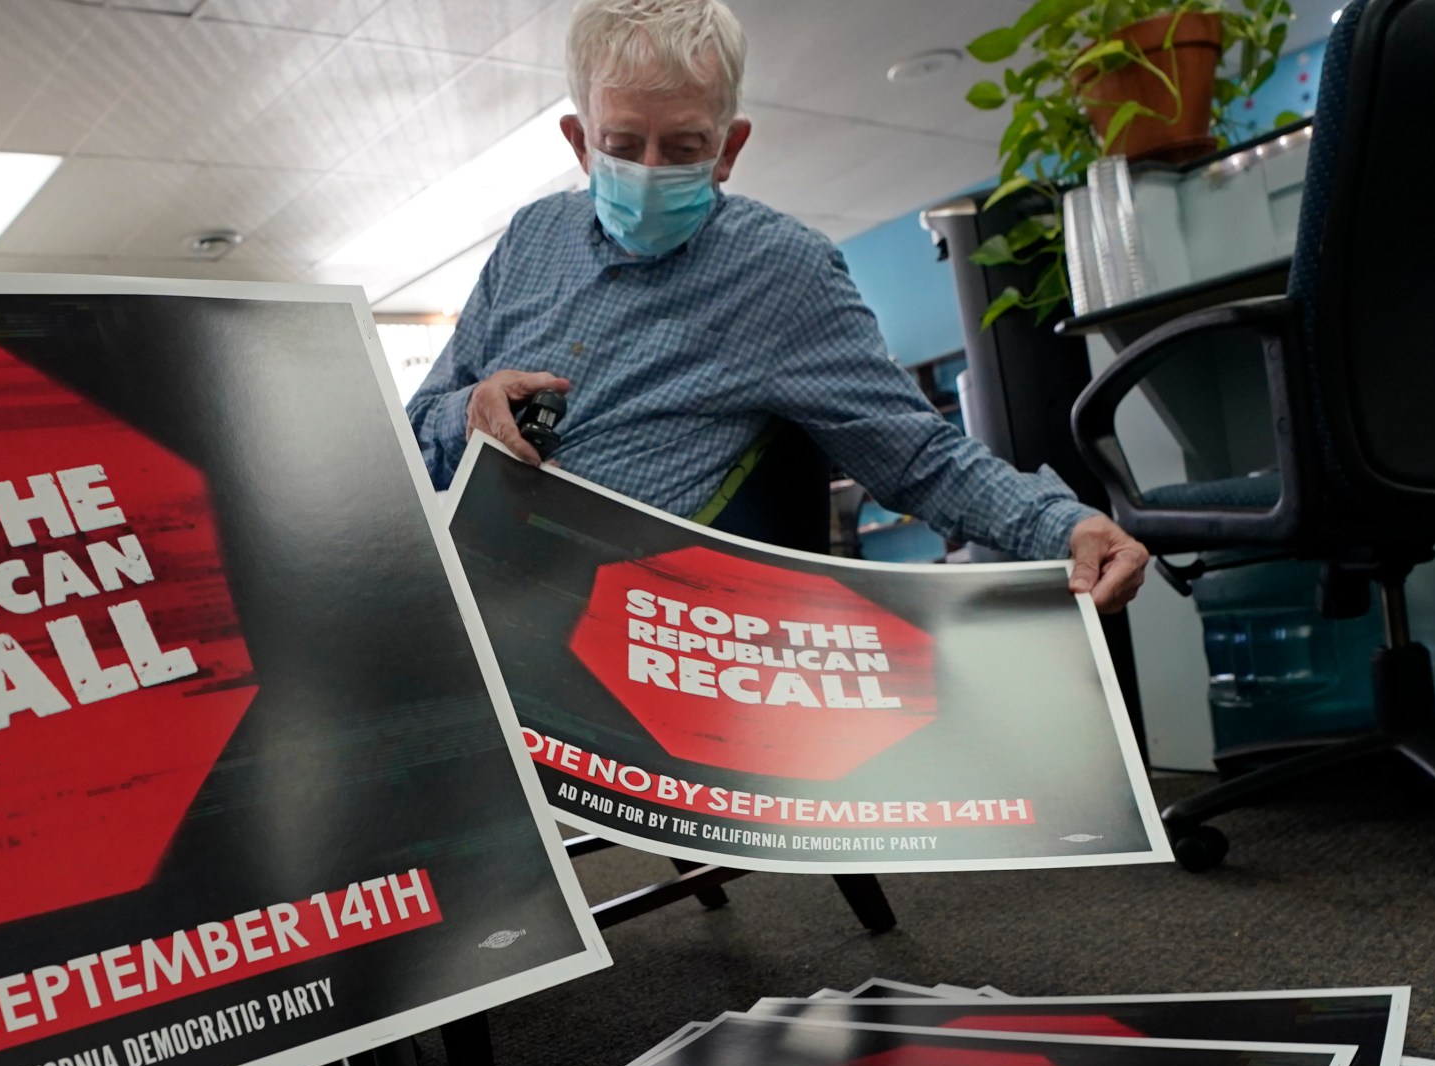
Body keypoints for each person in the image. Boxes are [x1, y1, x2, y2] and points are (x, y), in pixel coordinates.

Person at [405, 0, 1149, 612]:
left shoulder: (782, 272)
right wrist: (470, 409)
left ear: (729, 148)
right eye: (623, 145)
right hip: (473, 597)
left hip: (634, 633)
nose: (650, 170)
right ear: (579, 143)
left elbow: (915, 453)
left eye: (685, 145)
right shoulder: (533, 238)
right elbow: (412, 426)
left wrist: (1065, 525)